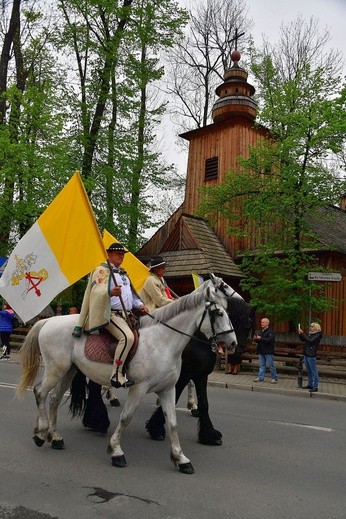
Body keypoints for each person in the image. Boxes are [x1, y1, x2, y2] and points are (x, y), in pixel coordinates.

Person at [73, 242, 148, 388]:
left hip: (127, 315)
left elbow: (131, 296)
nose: (120, 256)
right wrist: (110, 292)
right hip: (110, 315)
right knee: (127, 337)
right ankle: (116, 374)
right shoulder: (101, 271)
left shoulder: (123, 274)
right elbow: (95, 291)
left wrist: (140, 305)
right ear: (109, 254)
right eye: (117, 253)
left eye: (122, 254)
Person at [298, 322, 322, 392]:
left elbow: (310, 341)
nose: (310, 327)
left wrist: (303, 334)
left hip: (311, 354)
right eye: (310, 326)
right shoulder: (310, 334)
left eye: (312, 326)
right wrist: (300, 334)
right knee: (309, 370)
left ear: (316, 327)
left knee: (313, 370)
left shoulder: (318, 335)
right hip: (306, 353)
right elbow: (303, 339)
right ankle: (310, 384)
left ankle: (315, 386)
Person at [253, 317, 278, 383]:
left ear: (267, 323)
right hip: (261, 351)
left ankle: (274, 378)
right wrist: (256, 339)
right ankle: (261, 377)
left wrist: (260, 338)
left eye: (263, 322)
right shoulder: (261, 331)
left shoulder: (271, 332)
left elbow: (270, 340)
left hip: (268, 351)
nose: (261, 323)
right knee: (261, 365)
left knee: (271, 365)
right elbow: (260, 340)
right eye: (261, 322)